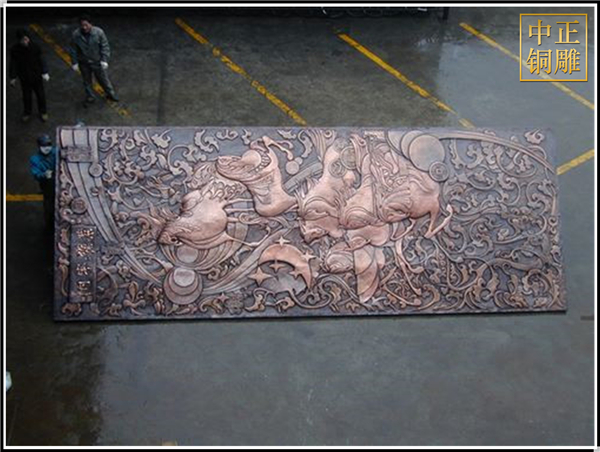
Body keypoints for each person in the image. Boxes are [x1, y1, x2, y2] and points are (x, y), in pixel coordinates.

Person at [69, 14, 119, 104]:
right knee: (87, 81)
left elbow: (105, 46)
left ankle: (111, 94)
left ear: (91, 24)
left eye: (86, 25)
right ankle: (90, 96)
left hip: (97, 62)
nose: (84, 27)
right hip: (84, 63)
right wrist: (74, 62)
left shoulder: (99, 33)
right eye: (82, 25)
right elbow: (73, 49)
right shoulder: (76, 35)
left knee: (103, 80)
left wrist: (104, 60)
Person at [9, 28, 50, 122]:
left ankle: (43, 112)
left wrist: (45, 72)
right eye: (23, 40)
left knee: (40, 95)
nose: (25, 41)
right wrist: (13, 77)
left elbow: (42, 60)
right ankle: (27, 112)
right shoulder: (15, 50)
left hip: (36, 75)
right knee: (26, 96)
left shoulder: (35, 47)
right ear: (19, 40)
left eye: (26, 39)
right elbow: (13, 64)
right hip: (24, 77)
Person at [30, 134, 57, 229]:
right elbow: (36, 174)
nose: (47, 148)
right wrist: (44, 175)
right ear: (39, 146)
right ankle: (50, 227)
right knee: (49, 208)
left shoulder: (56, 152)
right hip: (48, 186)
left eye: (48, 145)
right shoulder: (35, 159)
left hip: (59, 182)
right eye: (43, 146)